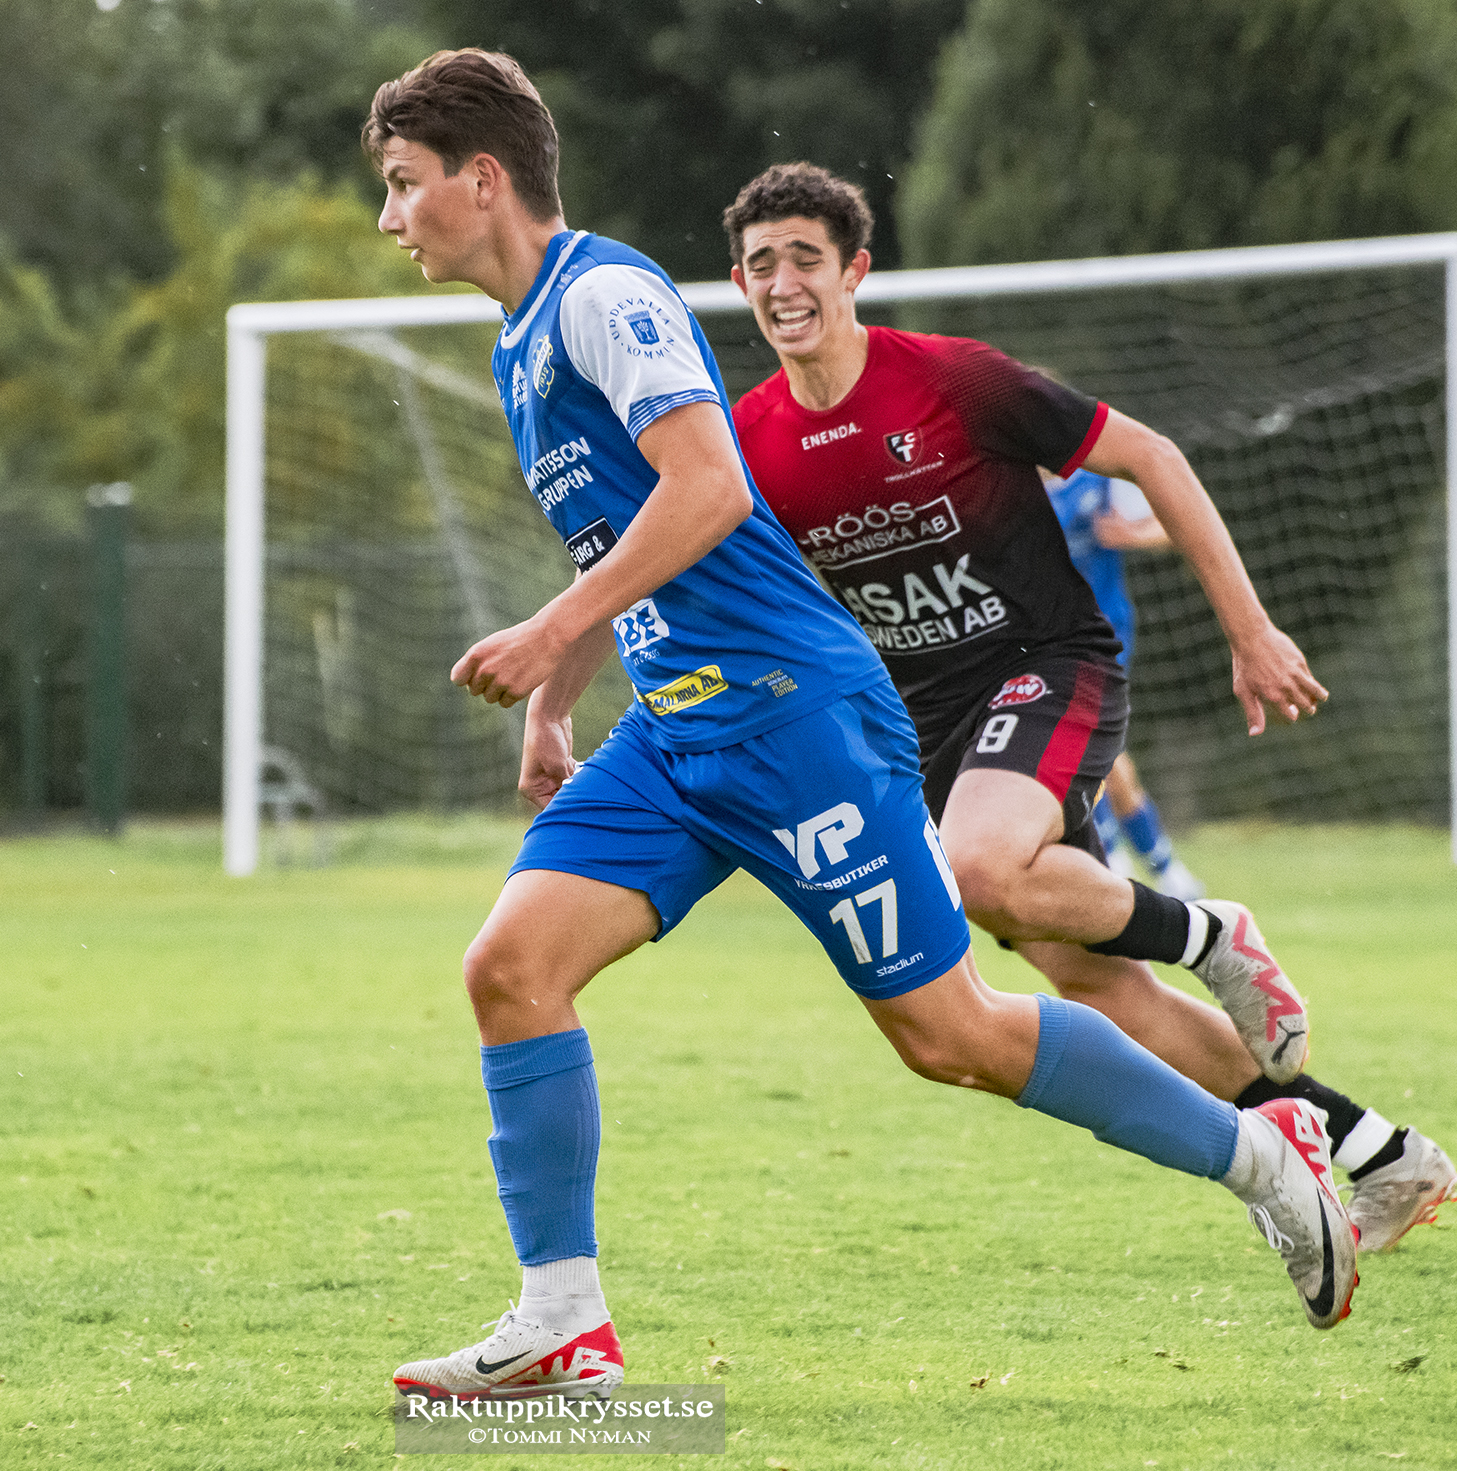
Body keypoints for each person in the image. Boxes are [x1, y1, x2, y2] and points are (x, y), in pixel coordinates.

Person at [363, 52, 1359, 1404]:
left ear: (481, 179)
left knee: (951, 1034)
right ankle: (562, 1324)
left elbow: (706, 491)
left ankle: (1265, 1160)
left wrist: (545, 634)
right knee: (509, 968)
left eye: (402, 184)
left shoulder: (604, 296)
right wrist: (554, 699)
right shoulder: (519, 334)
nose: (390, 216)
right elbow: (631, 538)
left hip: (798, 723)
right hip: (675, 736)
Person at [723, 162, 1457, 1256]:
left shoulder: (953, 380)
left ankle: (1209, 930)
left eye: (804, 259)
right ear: (740, 283)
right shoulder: (748, 439)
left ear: (854, 271)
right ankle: (1382, 1154)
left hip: (1046, 665)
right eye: (759, 265)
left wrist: (1249, 630)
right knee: (1100, 987)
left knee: (979, 869)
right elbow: (679, 567)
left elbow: (1151, 454)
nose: (783, 283)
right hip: (930, 726)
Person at [1041, 464, 1205, 899]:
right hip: (1047, 640)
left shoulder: (1098, 479)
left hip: (1105, 633)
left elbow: (1170, 528)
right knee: (1100, 750)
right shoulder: (1013, 486)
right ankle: (1161, 869)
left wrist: (1130, 534)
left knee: (1092, 745)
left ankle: (1120, 860)